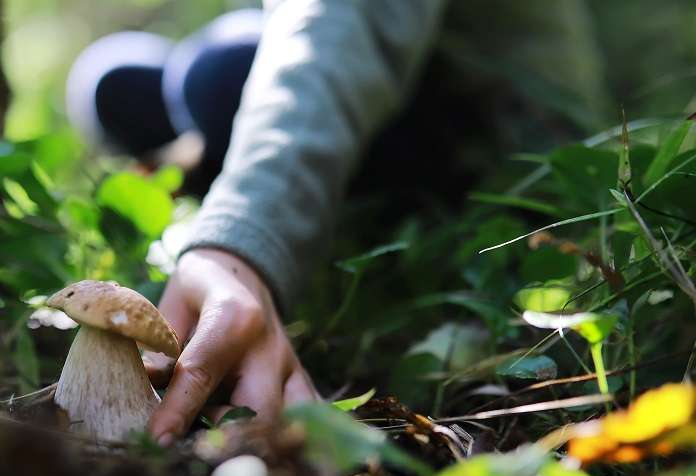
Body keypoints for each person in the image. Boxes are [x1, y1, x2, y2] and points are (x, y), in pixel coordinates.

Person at [66, 1, 607, 446]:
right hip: (389, 66)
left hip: (489, 130)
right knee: (114, 80)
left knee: (214, 72)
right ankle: (207, 154)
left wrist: (244, 242)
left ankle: (215, 164)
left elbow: (341, 20)